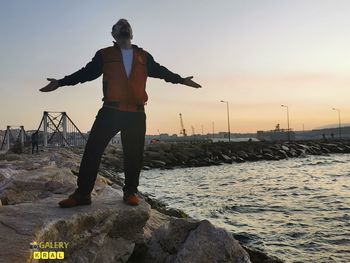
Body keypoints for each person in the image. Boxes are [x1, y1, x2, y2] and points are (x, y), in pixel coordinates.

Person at [39, 18, 201, 208]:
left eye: (126, 25)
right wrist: (60, 82)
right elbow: (85, 73)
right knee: (92, 151)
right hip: (110, 111)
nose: (123, 25)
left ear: (131, 34)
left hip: (136, 113)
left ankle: (130, 192)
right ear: (114, 35)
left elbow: (162, 72)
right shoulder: (104, 55)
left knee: (134, 155)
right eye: (119, 26)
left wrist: (181, 80)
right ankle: (83, 194)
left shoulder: (144, 56)